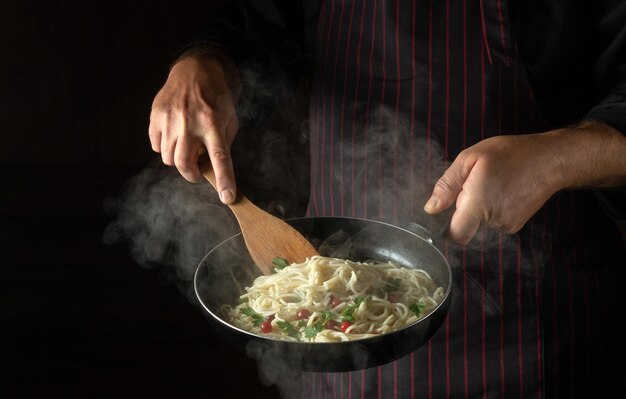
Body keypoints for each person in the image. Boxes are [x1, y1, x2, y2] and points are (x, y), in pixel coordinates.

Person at [148, 1, 626, 397]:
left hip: (542, 333)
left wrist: (555, 159)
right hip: (341, 349)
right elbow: (254, 26)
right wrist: (203, 63)